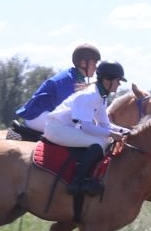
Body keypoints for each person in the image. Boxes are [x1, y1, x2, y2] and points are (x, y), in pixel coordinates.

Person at [39, 60, 130, 195]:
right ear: (107, 80)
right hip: (57, 128)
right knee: (99, 143)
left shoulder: (101, 96)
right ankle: (78, 182)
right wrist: (111, 134)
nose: (119, 84)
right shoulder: (90, 95)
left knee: (104, 141)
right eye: (118, 80)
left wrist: (126, 131)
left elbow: (104, 124)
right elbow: (87, 128)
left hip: (67, 128)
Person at [14, 43, 101, 138]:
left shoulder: (76, 77)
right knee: (80, 134)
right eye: (95, 63)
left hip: (46, 114)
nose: (96, 67)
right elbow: (72, 111)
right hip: (37, 116)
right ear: (83, 63)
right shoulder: (69, 80)